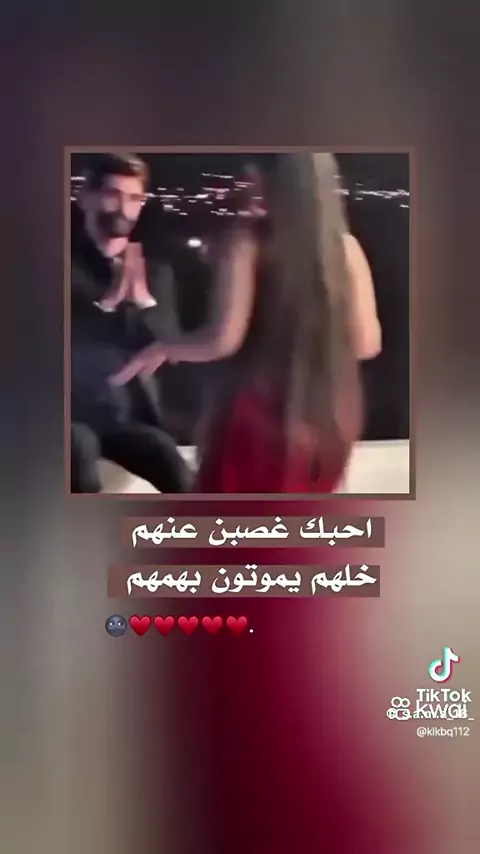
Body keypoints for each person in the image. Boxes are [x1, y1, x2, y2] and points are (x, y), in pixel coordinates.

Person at [111, 153, 366, 493]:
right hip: (327, 419)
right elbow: (366, 341)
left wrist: (164, 348)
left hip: (259, 418)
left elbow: (222, 339)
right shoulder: (346, 248)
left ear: (271, 182)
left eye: (253, 178)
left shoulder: (247, 240)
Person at [70, 152, 189, 493]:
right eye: (113, 194)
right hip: (68, 415)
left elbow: (168, 345)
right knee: (79, 455)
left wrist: (143, 302)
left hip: (126, 417)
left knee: (174, 467)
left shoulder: (156, 272)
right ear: (85, 197)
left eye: (135, 198)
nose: (124, 209)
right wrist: (108, 303)